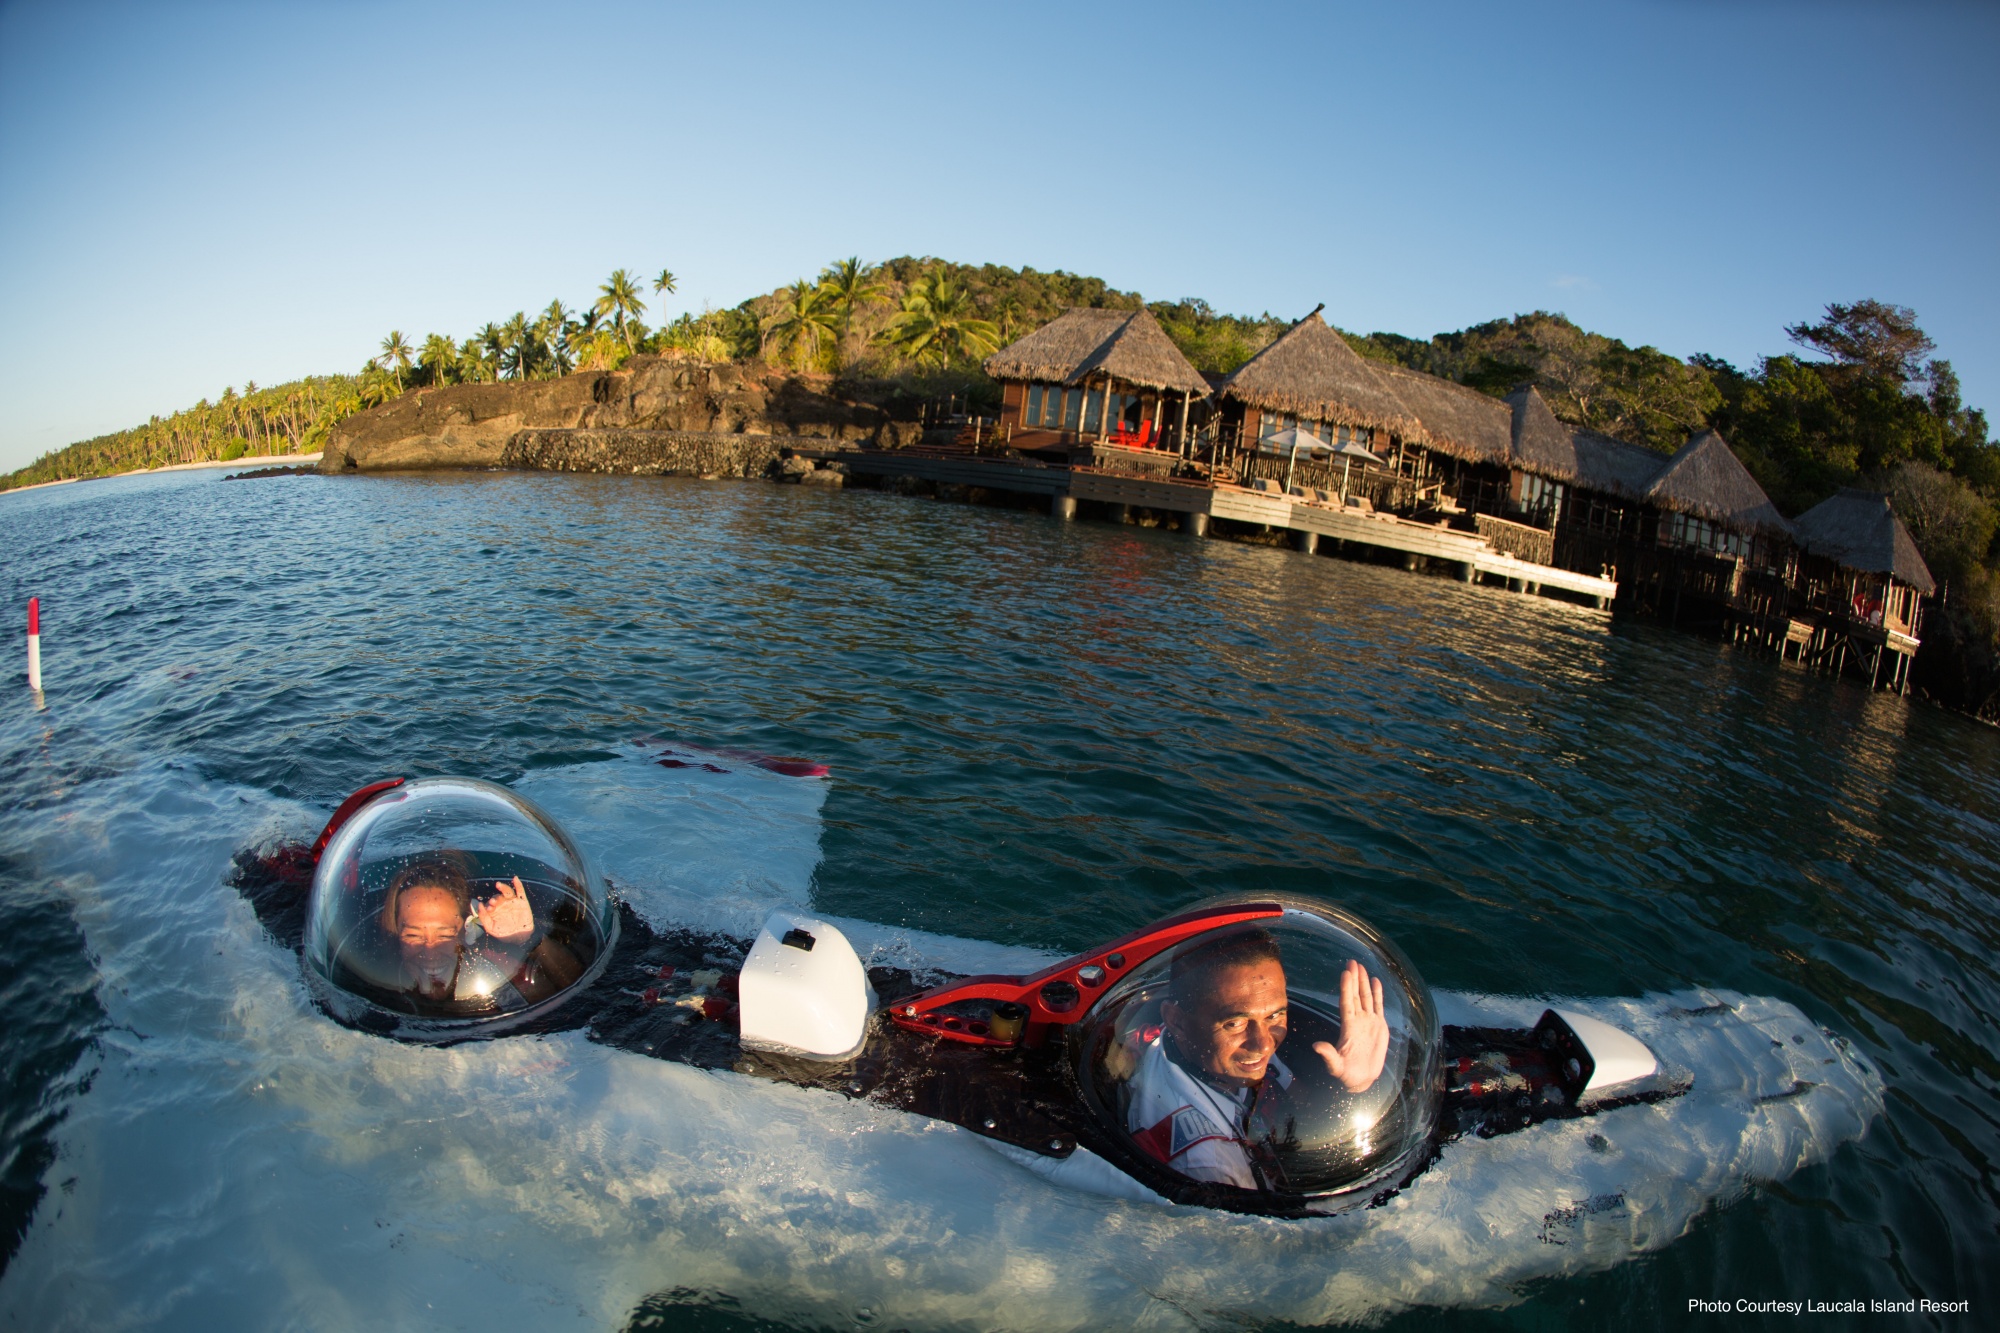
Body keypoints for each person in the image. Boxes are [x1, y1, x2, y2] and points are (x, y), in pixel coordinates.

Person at [1124, 929, 1389, 1191]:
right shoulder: (1208, 1165)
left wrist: (1354, 1085)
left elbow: (1296, 1098)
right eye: (1234, 1022)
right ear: (1177, 1021)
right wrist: (1358, 1092)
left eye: (1274, 1016)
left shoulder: (1219, 1056)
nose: (1263, 1044)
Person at [381, 857, 583, 1011]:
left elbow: (575, 992)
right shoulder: (378, 980)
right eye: (413, 936)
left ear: (464, 929)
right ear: (396, 931)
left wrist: (529, 939)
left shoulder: (497, 973)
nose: (430, 951)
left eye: (444, 935)